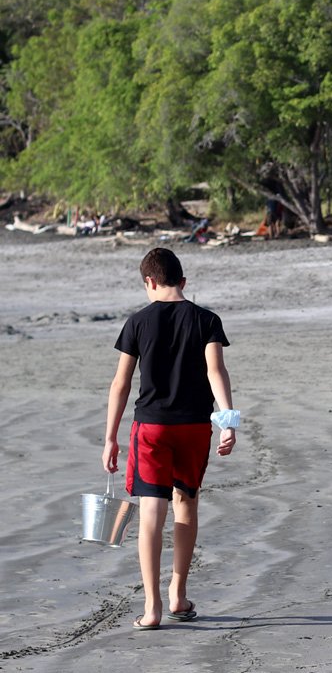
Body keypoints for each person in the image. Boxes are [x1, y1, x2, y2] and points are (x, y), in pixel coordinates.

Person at [102, 248, 236, 631]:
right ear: (183, 281)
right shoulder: (207, 320)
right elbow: (216, 371)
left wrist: (110, 437)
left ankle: (152, 606)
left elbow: (121, 384)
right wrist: (228, 422)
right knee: (186, 507)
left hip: (152, 429)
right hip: (195, 427)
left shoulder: (138, 322)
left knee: (150, 515)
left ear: (149, 281)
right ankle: (179, 593)